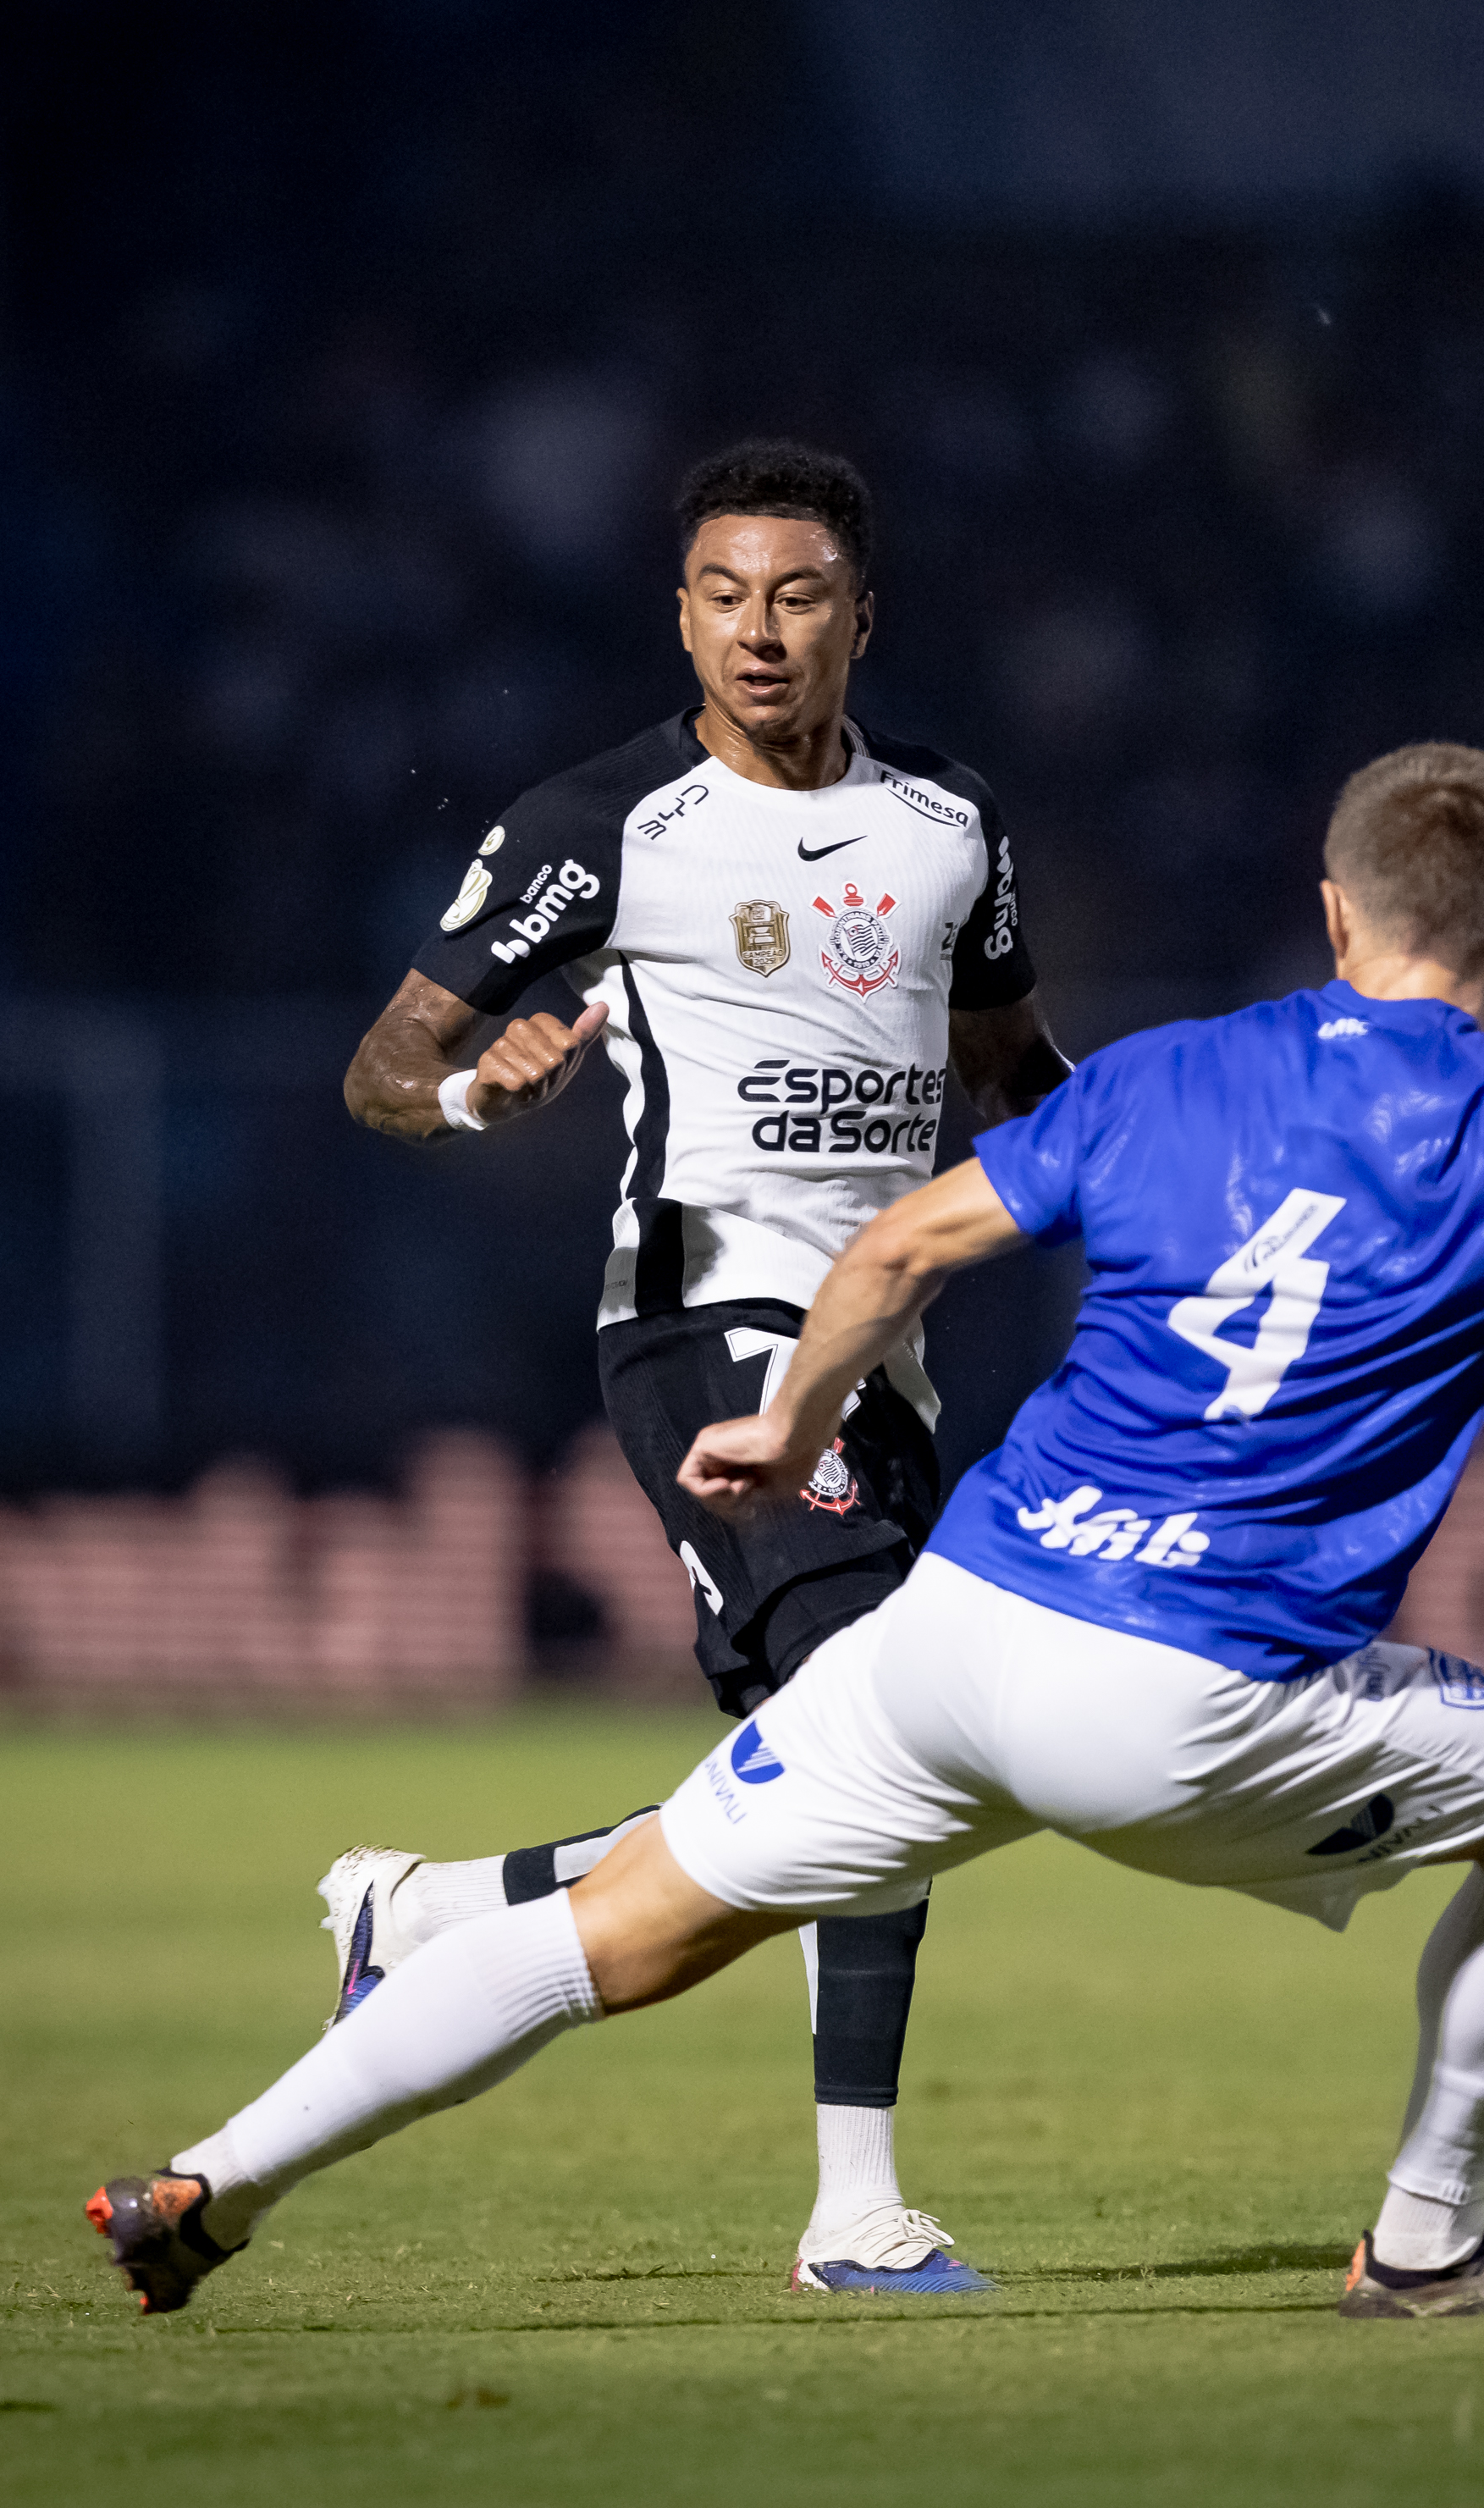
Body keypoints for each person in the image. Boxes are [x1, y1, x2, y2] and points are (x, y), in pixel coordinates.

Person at [89, 745, 1484, 2320]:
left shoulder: (1168, 1079)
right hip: (1190, 1697)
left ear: (1328, 910)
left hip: (960, 1626)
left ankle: (208, 2184)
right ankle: (1428, 2243)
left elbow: (901, 1238)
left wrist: (784, 1420)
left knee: (617, 1932)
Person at [328, 439, 1067, 2293]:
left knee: (878, 1760)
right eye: (725, 594)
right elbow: (382, 1070)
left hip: (883, 1356)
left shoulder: (950, 828)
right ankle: (857, 2212)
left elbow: (1012, 1072)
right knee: (880, 1703)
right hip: (701, 1321)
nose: (759, 629)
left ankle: (435, 1910)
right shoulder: (601, 825)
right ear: (680, 613)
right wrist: (475, 1097)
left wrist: (1162, 1175)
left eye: (798, 594)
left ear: (861, 620)